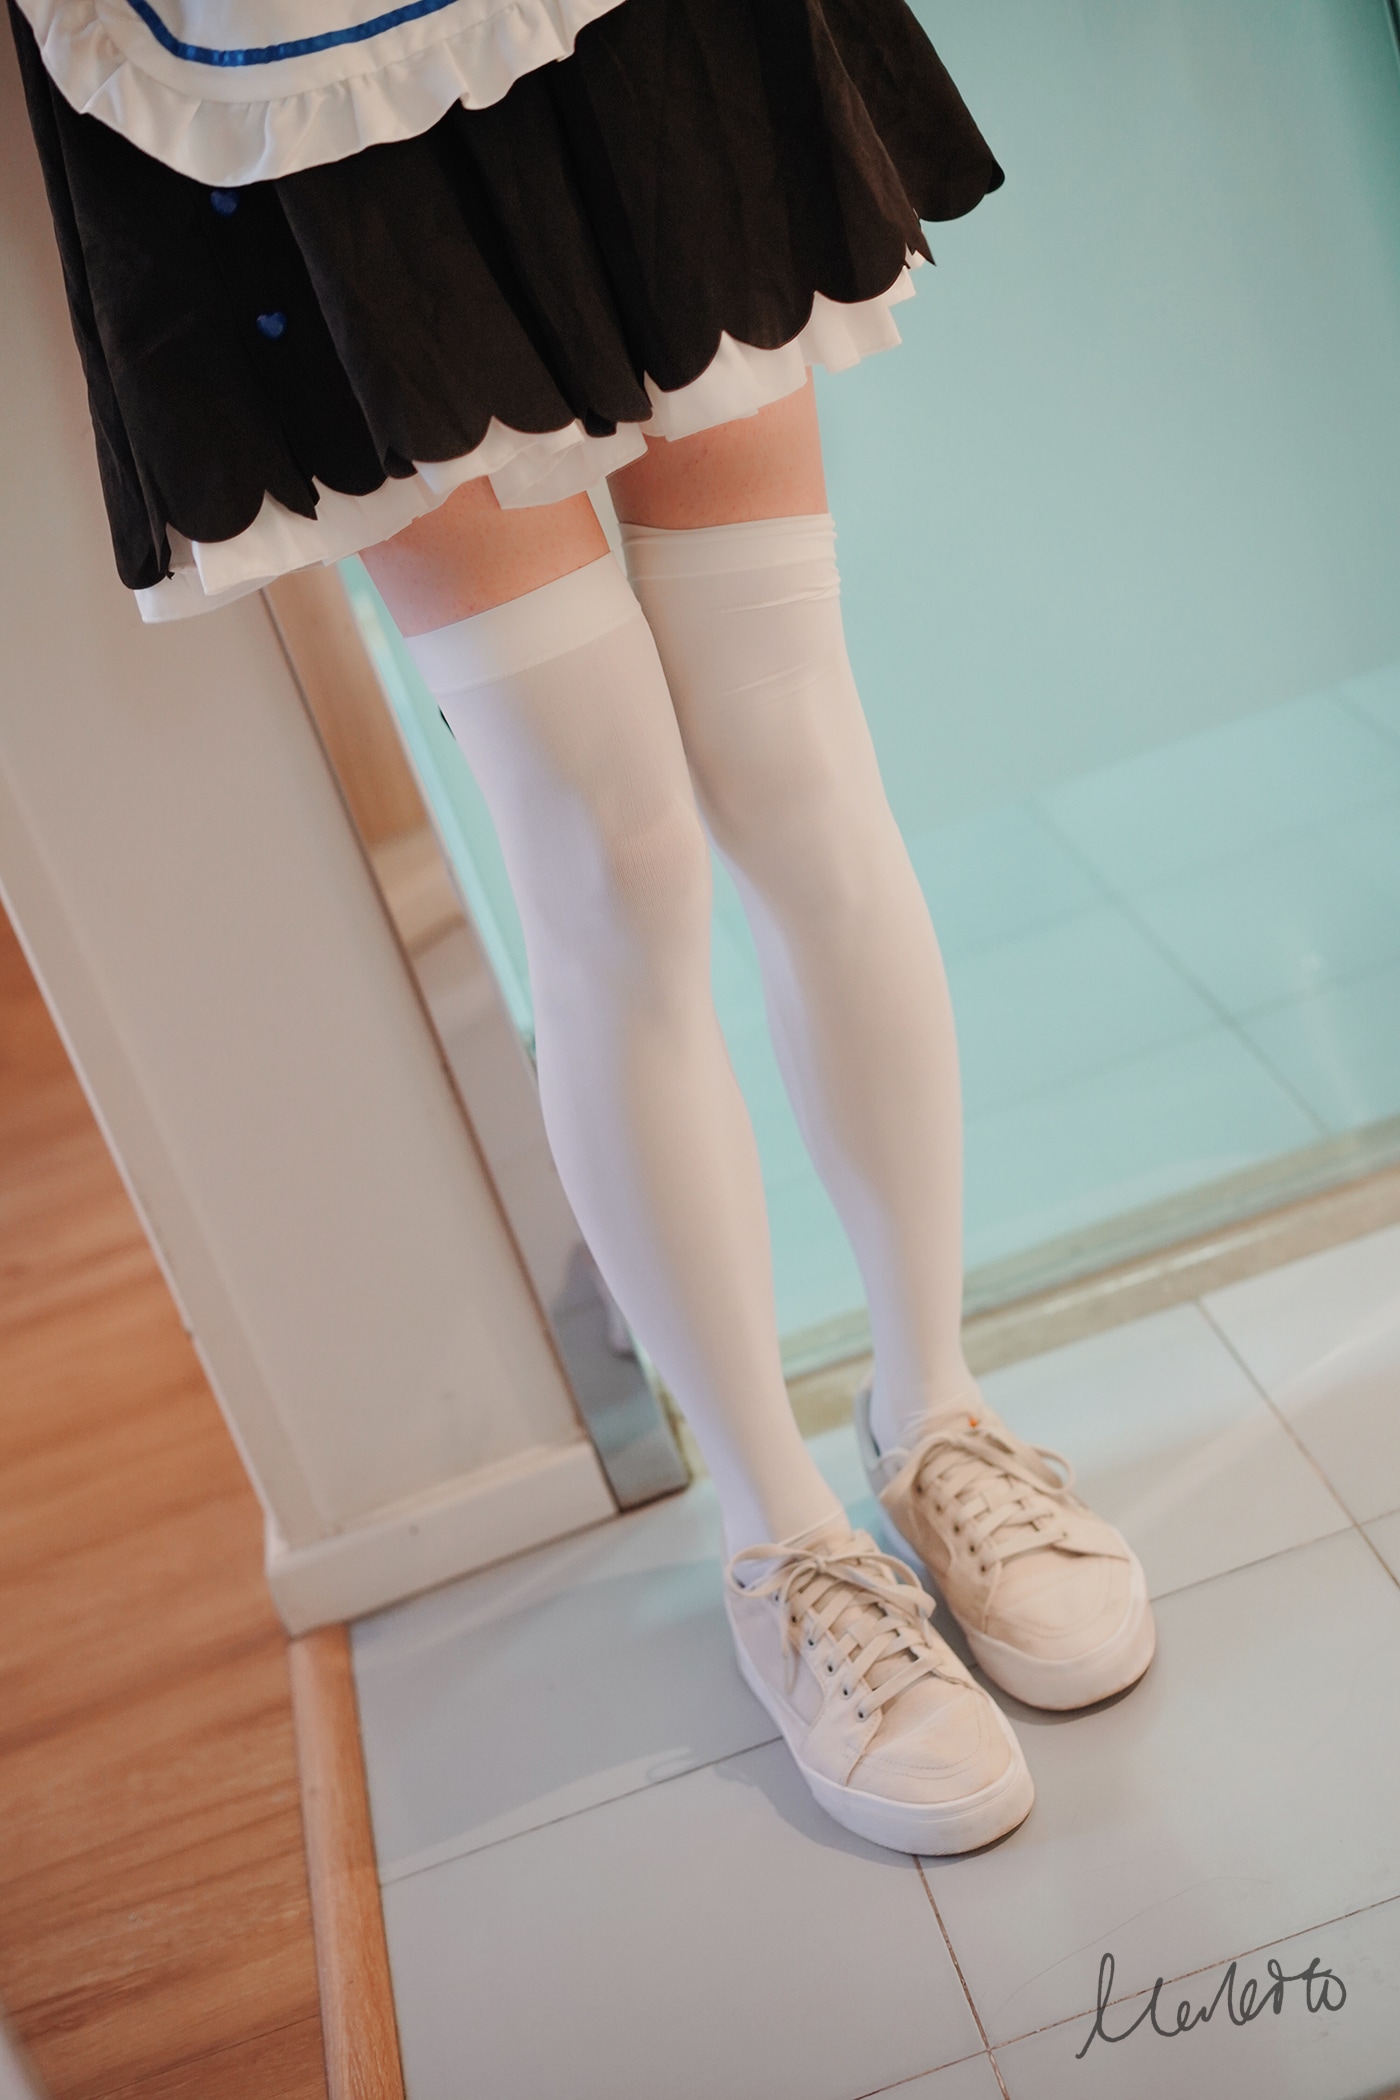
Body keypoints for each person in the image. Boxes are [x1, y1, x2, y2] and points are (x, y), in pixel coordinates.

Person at [11, 0, 1154, 1858]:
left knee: (794, 749)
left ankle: (938, 1415)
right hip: (286, 78)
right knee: (606, 850)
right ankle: (780, 1535)